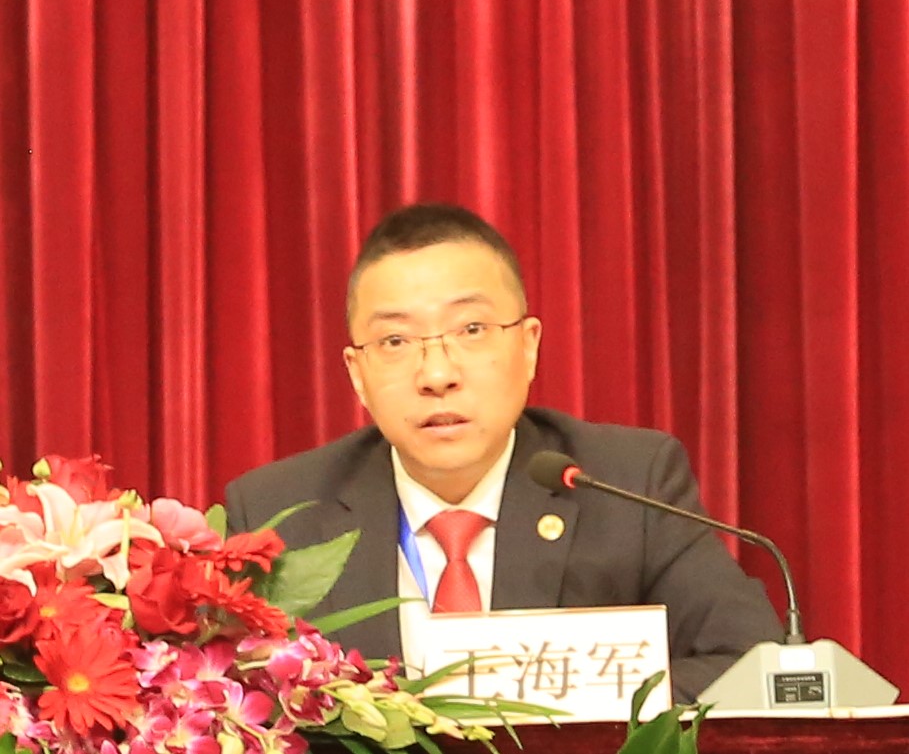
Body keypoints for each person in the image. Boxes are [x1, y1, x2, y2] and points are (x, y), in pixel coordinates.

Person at [225, 203, 783, 703]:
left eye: (471, 329)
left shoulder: (628, 483)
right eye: (395, 341)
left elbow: (751, 662)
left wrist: (583, 706)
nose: (437, 374)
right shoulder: (280, 514)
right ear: (357, 373)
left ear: (528, 344)